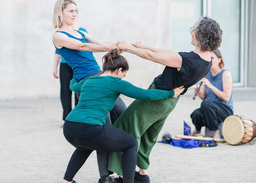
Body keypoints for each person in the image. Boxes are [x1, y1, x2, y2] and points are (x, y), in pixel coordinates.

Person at [108, 16, 223, 183]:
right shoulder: (206, 60)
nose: (191, 32)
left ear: (201, 34)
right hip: (169, 103)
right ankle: (142, 174)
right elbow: (170, 54)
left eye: (193, 28)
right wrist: (144, 46)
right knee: (149, 134)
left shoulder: (188, 61)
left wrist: (126, 47)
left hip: (157, 98)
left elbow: (150, 57)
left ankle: (121, 176)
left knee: (128, 128)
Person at [61, 49, 184, 183]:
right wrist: (171, 94)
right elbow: (146, 94)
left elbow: (73, 86)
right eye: (123, 75)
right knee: (131, 143)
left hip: (69, 128)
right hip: (91, 129)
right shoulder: (116, 83)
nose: (122, 78)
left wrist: (74, 75)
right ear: (119, 70)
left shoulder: (88, 80)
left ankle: (66, 181)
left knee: (84, 146)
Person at [52, 0, 126, 182]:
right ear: (60, 12)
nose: (74, 14)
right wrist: (109, 48)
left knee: (124, 115)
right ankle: (105, 177)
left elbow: (100, 42)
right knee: (103, 130)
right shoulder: (58, 36)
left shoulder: (81, 31)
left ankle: (125, 170)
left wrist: (120, 45)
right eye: (70, 11)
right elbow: (83, 47)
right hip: (88, 84)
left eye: (76, 10)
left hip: (102, 78)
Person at [190, 49, 233, 139]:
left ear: (219, 60)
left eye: (212, 58)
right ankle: (198, 129)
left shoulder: (225, 74)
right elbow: (204, 97)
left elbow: (226, 97)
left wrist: (210, 86)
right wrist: (199, 93)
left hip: (224, 109)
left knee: (205, 104)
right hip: (210, 108)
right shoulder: (207, 74)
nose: (209, 60)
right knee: (196, 114)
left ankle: (215, 131)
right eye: (208, 58)